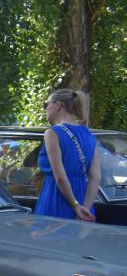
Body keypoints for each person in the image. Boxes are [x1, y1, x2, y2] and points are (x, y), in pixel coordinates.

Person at [34, 88, 100, 222]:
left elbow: (59, 177)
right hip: (83, 198)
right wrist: (85, 208)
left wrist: (75, 206)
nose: (45, 109)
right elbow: (96, 176)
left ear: (58, 105)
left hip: (57, 197)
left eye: (46, 104)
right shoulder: (89, 135)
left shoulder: (52, 133)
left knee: (50, 239)